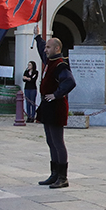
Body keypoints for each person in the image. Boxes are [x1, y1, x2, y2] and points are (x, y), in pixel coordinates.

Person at [37, 35, 76, 188]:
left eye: (48, 47)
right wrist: (37, 37)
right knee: (50, 141)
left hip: (56, 105)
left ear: (56, 49)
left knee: (58, 141)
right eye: (45, 47)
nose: (45, 50)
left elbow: (70, 82)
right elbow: (41, 51)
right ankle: (54, 174)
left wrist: (57, 94)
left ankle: (62, 177)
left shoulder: (60, 64)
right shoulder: (50, 61)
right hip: (47, 104)